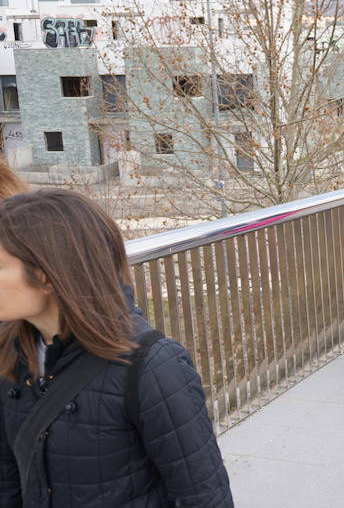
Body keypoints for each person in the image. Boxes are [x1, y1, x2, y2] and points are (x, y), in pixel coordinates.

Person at [0, 188, 233, 506]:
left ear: (47, 275)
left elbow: (203, 496)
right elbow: (7, 480)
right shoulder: (10, 352)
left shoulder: (152, 366)